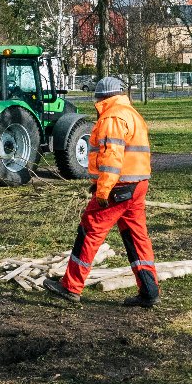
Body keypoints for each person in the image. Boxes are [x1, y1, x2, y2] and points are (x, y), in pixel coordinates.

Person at [45, 76, 159, 308]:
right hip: (137, 184)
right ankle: (149, 291)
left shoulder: (111, 117)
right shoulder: (132, 114)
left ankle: (71, 287)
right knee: (136, 238)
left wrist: (103, 189)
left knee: (90, 230)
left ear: (102, 97)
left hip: (118, 188)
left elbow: (111, 159)